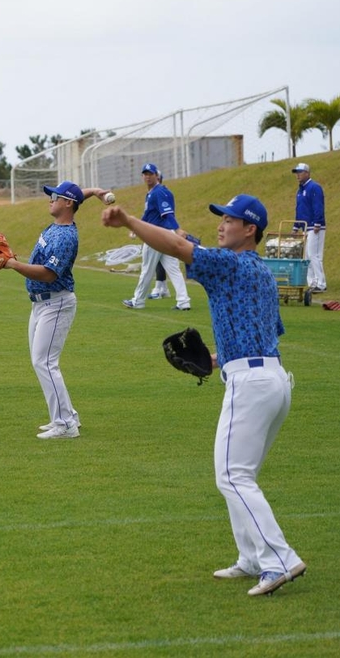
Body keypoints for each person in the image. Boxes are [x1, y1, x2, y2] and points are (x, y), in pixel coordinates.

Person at [102, 193, 306, 597]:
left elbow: (177, 248)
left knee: (233, 476)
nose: (221, 224)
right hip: (273, 379)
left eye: (229, 219)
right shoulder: (261, 271)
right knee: (239, 475)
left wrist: (127, 219)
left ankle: (280, 559)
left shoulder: (229, 263)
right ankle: (251, 558)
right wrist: (218, 358)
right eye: (221, 217)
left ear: (250, 230)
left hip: (251, 385)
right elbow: (267, 332)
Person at [0, 181, 108, 437]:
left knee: (45, 362)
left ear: (67, 203)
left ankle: (65, 425)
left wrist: (14, 264)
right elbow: (78, 197)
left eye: (55, 196)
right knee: (41, 362)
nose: (50, 199)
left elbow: (48, 274)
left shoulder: (66, 237)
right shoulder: (57, 225)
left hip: (56, 302)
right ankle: (67, 416)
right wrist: (94, 191)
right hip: (40, 304)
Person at [122, 164, 191, 311]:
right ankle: (184, 302)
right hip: (165, 234)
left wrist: (177, 228)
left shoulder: (158, 192)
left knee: (147, 269)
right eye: (145, 174)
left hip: (157, 235)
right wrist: (136, 228)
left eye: (150, 174)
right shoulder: (152, 193)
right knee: (173, 270)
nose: (147, 176)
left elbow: (167, 213)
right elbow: (148, 215)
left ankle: (138, 301)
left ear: (157, 175)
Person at [292, 163, 326, 292]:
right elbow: (299, 210)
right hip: (306, 227)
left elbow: (318, 206)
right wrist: (296, 226)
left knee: (314, 254)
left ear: (307, 173)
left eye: (300, 172)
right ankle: (312, 283)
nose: (298, 175)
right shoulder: (300, 190)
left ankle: (321, 283)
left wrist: (318, 222)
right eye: (297, 172)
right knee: (307, 256)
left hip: (315, 226)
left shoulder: (314, 187)